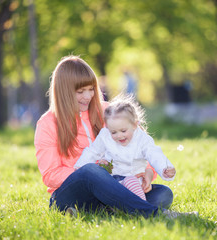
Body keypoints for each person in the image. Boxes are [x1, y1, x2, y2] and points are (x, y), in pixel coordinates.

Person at [34, 55, 196, 219]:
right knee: (90, 170)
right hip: (69, 195)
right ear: (64, 92)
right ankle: (153, 214)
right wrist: (97, 172)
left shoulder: (109, 112)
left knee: (163, 194)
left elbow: (141, 145)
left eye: (91, 89)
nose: (88, 96)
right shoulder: (48, 124)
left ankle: (104, 210)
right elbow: (50, 175)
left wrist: (148, 172)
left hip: (116, 185)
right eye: (80, 92)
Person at [74, 95, 176, 201]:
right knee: (107, 183)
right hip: (113, 181)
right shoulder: (105, 135)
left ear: (134, 125)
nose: (119, 136)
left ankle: (134, 206)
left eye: (123, 131)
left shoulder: (142, 139)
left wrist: (165, 168)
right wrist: (80, 167)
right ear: (108, 127)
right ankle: (142, 208)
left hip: (136, 181)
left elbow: (154, 154)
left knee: (162, 192)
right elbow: (93, 151)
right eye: (114, 132)